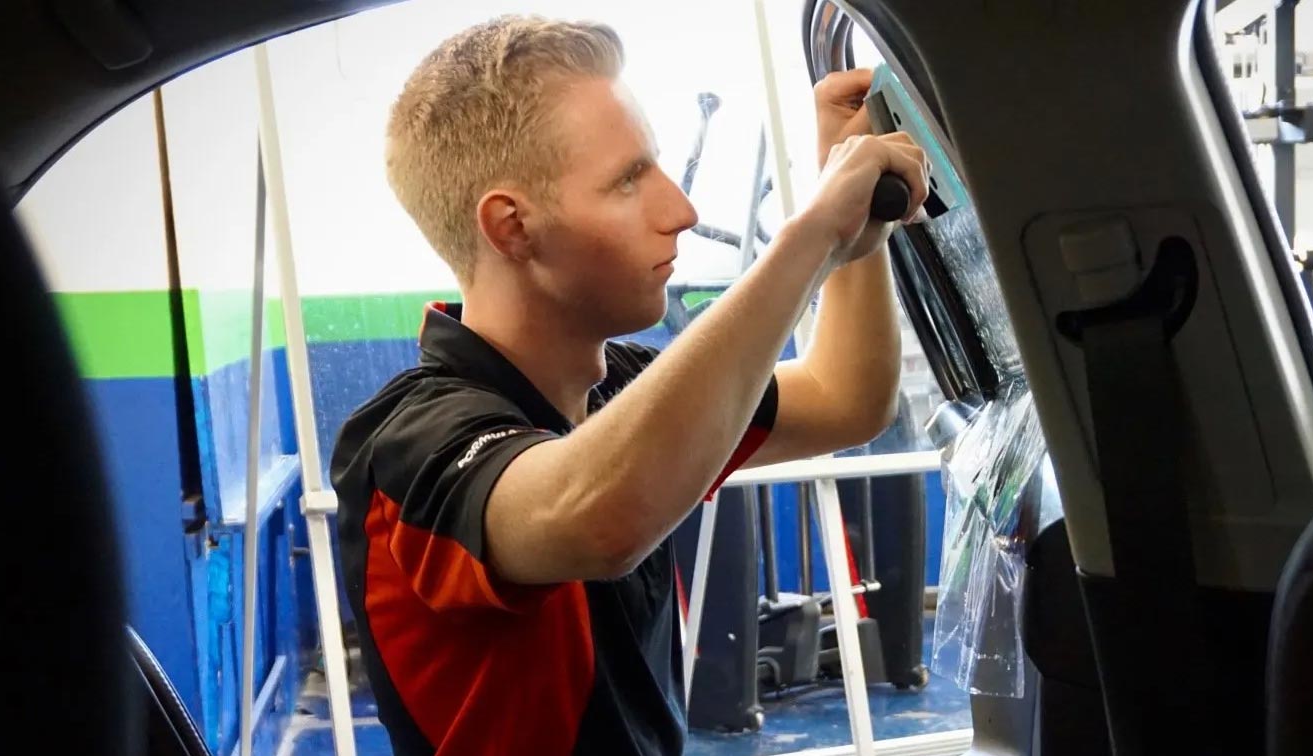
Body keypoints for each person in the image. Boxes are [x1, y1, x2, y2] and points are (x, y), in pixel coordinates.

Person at [327, 14, 929, 756]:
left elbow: (846, 397)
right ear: (512, 227)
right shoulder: (409, 445)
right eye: (627, 180)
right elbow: (601, 517)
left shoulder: (620, 389)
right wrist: (810, 236)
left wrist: (852, 201)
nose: (680, 211)